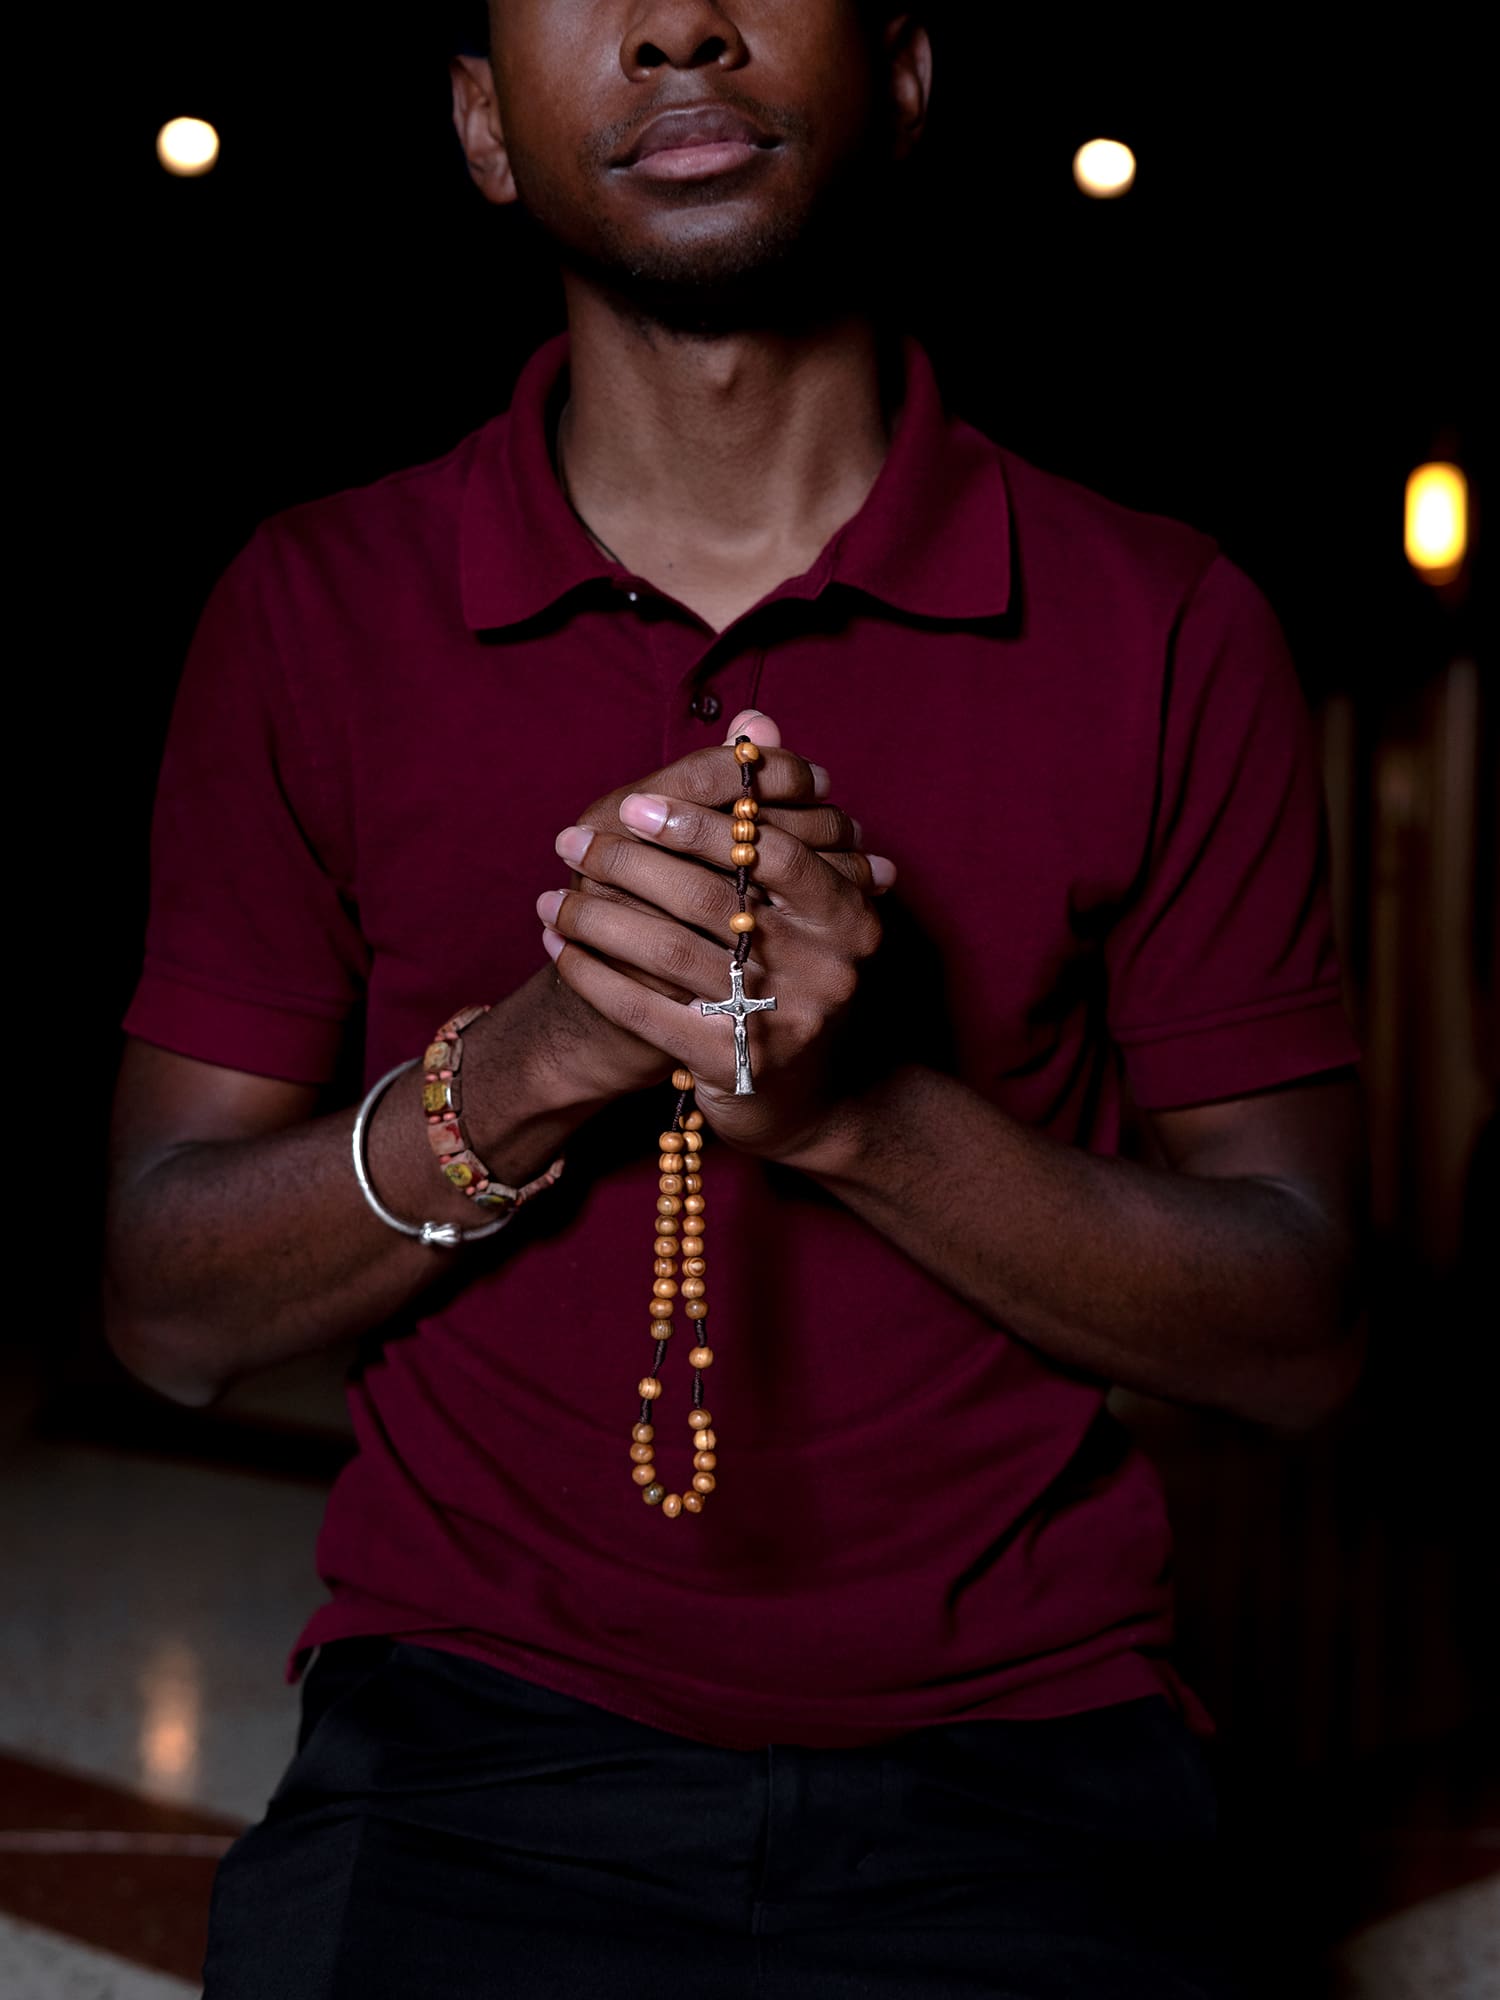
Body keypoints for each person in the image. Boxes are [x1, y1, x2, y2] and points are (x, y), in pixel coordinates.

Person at [103, 2, 1368, 1993]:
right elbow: (167, 1305)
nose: (680, 20)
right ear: (480, 125)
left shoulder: (1161, 621)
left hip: (1027, 1755)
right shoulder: (313, 604)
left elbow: (1300, 1335)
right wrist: (535, 1065)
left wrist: (862, 1114)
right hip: (463, 1746)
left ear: (911, 77)